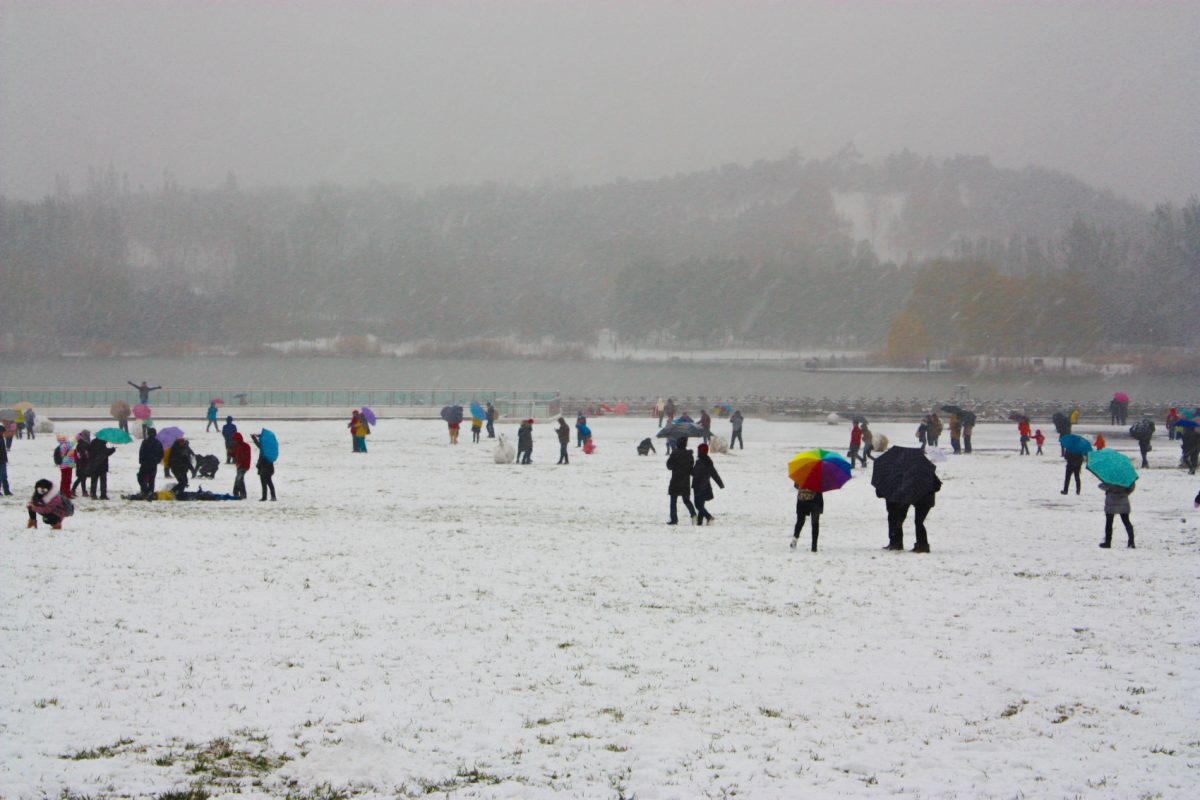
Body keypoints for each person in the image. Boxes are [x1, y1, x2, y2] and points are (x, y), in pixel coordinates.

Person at [691, 443, 724, 525]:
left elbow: (695, 473)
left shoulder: (701, 461)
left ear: (701, 451)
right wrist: (720, 484)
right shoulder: (707, 461)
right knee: (701, 504)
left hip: (699, 486)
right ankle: (700, 521)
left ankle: (709, 517)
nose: (697, 451)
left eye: (698, 450)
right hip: (705, 486)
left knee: (698, 505)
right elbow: (714, 473)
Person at [666, 438, 697, 525]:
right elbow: (691, 468)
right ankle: (694, 515)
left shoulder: (674, 454)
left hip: (675, 480)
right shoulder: (689, 455)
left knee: (673, 501)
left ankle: (674, 519)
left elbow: (669, 466)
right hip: (685, 481)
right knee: (686, 500)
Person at [1098, 481, 1135, 549]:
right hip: (1123, 501)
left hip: (1111, 502)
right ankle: (1131, 541)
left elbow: (1102, 486)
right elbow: (1132, 486)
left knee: (1109, 523)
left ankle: (1108, 542)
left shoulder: (1110, 478)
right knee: (1126, 522)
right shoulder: (1125, 477)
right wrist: (1127, 492)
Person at [790, 486, 824, 552]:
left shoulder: (801, 475)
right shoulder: (820, 476)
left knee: (800, 521)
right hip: (816, 499)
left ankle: (795, 539)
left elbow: (796, 485)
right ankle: (814, 547)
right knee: (815, 523)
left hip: (802, 498)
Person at [86, 434, 116, 499]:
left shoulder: (93, 442)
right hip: (102, 465)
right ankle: (103, 495)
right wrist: (112, 450)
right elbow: (104, 453)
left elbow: (90, 452)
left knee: (94, 480)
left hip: (94, 465)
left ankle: (93, 494)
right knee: (103, 481)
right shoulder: (102, 444)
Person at [138, 427, 164, 499]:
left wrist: (141, 461)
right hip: (153, 464)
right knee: (151, 479)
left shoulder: (145, 442)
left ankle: (144, 491)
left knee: (142, 478)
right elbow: (161, 454)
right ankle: (150, 492)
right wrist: (157, 461)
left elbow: (141, 452)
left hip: (145, 463)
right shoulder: (158, 443)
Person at [250, 433, 276, 501]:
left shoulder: (265, 449)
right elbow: (258, 444)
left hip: (265, 468)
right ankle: (271, 496)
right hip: (267, 468)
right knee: (268, 483)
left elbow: (263, 459)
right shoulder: (269, 448)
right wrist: (255, 437)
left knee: (266, 483)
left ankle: (266, 497)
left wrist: (258, 465)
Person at [52, 434, 76, 498]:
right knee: (67, 480)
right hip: (66, 465)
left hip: (66, 465)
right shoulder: (64, 446)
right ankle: (66, 494)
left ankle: (64, 493)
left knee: (65, 479)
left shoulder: (62, 446)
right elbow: (65, 456)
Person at [71, 431, 92, 497]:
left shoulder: (82, 443)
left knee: (82, 478)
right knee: (81, 478)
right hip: (82, 464)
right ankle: (76, 490)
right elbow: (83, 455)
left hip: (82, 463)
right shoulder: (83, 444)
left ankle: (82, 491)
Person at [231, 432, 251, 498]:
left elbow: (246, 457)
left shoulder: (245, 446)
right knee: (238, 479)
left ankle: (242, 494)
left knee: (239, 479)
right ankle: (235, 492)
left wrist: (243, 464)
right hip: (239, 465)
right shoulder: (237, 446)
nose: (234, 441)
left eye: (235, 440)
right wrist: (230, 453)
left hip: (244, 466)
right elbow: (235, 454)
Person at [0, 425, 11, 495]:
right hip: (1, 460)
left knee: (4, 476)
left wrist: (6, 459)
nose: (3, 433)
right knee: (1, 476)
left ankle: (6, 491)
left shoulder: (1, 438)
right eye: (2, 432)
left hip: (3, 460)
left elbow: (3, 450)